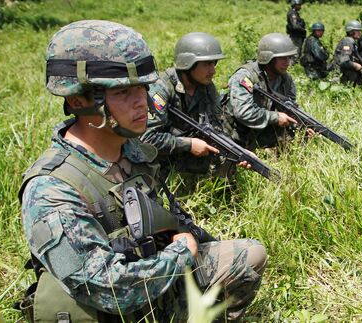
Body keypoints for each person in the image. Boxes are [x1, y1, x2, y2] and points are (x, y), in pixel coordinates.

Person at [18, 20, 267, 322]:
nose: (142, 103)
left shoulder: (135, 153)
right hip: (112, 306)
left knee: (250, 255)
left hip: (153, 276)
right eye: (122, 93)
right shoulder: (52, 187)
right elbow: (103, 286)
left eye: (142, 88)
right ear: (78, 100)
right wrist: (179, 256)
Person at [140, 32, 247, 181]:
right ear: (187, 64)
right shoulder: (162, 88)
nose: (213, 70)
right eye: (206, 64)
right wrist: (188, 144)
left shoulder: (207, 87)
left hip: (189, 152)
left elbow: (216, 127)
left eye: (214, 63)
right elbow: (146, 139)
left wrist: (240, 152)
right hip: (161, 159)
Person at [224, 33, 317, 150]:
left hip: (261, 129)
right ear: (269, 59)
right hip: (235, 134)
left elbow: (289, 107)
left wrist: (302, 123)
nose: (287, 62)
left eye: (289, 57)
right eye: (282, 58)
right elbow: (243, 112)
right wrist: (275, 117)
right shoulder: (246, 76)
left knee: (300, 135)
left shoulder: (285, 79)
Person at [331, 20, 362, 86]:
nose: (360, 33)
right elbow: (344, 61)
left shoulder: (352, 42)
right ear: (351, 32)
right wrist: (356, 65)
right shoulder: (347, 42)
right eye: (358, 31)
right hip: (340, 76)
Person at [286, 0, 306, 64]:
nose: (300, 6)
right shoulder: (292, 13)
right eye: (298, 5)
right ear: (294, 4)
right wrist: (303, 30)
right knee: (295, 55)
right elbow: (295, 26)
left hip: (297, 36)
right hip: (296, 37)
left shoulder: (295, 13)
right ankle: (289, 69)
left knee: (297, 54)